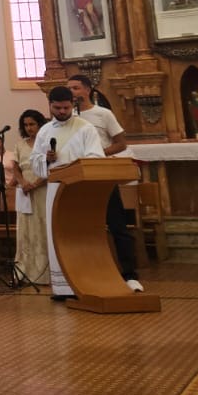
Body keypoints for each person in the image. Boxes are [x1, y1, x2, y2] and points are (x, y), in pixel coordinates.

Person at [30, 85, 108, 299]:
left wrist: (76, 167)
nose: (62, 112)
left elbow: (95, 158)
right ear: (50, 106)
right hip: (55, 189)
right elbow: (34, 162)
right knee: (58, 235)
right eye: (57, 108)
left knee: (80, 235)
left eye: (66, 107)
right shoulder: (45, 131)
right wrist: (46, 159)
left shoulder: (85, 128)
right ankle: (62, 288)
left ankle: (84, 283)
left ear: (72, 104)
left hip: (79, 189)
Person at [66, 74, 142, 291]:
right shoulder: (68, 118)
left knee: (117, 224)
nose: (72, 92)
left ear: (87, 90)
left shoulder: (103, 114)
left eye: (76, 88)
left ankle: (129, 274)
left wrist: (98, 153)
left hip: (101, 175)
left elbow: (120, 144)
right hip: (78, 177)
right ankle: (85, 273)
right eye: (69, 88)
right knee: (82, 227)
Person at [13, 109, 50, 286]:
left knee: (42, 226)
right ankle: (25, 271)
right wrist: (22, 183)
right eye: (26, 125)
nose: (29, 128)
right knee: (26, 229)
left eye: (32, 124)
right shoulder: (20, 145)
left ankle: (44, 272)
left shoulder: (46, 143)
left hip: (42, 189)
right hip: (25, 191)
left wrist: (35, 184)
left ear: (40, 124)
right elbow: (15, 168)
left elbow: (52, 167)